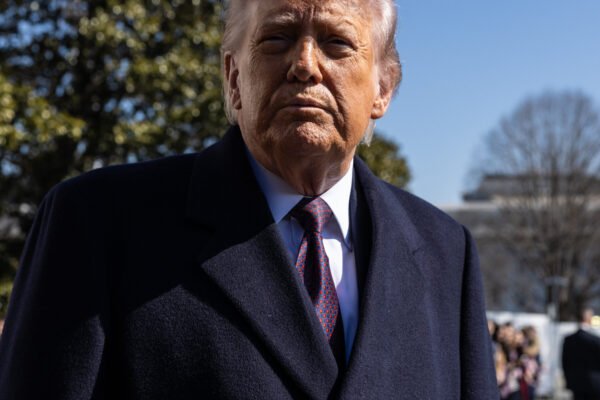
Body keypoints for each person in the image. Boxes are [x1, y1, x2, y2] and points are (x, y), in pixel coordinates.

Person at [0, 0, 498, 398]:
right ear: (233, 77)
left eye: (337, 43)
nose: (304, 65)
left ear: (383, 87)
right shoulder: (97, 222)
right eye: (277, 38)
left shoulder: (444, 252)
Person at [562, 307, 600, 400]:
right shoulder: (595, 340)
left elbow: (565, 363)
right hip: (595, 383)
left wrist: (568, 381)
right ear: (589, 318)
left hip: (576, 384)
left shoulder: (569, 340)